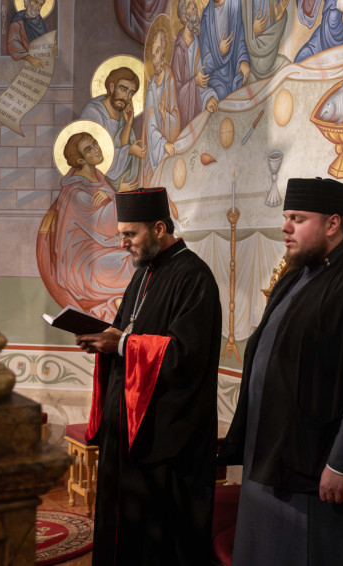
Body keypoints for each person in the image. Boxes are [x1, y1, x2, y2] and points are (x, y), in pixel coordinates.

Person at [217, 177, 343, 566]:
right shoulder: (293, 277)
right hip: (271, 456)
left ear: (333, 223)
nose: (285, 227)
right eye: (286, 217)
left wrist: (341, 461)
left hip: (318, 469)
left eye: (298, 219)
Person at [76, 187, 222, 565]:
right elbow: (126, 330)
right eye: (121, 234)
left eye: (130, 234)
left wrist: (122, 344)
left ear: (159, 228)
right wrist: (103, 340)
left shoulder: (194, 277)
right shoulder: (143, 274)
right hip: (126, 429)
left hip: (164, 437)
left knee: (156, 545)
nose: (123, 243)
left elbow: (186, 356)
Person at [36, 132, 133, 321]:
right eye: (89, 149)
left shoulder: (98, 179)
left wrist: (112, 196)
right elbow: (106, 226)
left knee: (139, 259)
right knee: (134, 265)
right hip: (84, 266)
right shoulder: (76, 192)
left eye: (95, 143)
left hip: (103, 250)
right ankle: (112, 308)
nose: (97, 149)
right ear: (80, 160)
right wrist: (118, 195)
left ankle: (115, 305)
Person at [80, 67, 144, 191]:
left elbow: (121, 147)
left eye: (131, 93)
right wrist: (129, 150)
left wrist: (128, 124)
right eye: (123, 89)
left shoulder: (123, 114)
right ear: (112, 87)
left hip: (116, 182)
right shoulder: (93, 113)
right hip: (97, 184)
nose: (126, 97)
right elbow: (97, 159)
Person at [172, 0, 218, 129]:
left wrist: (209, 97)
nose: (194, 7)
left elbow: (202, 81)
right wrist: (195, 82)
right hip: (187, 118)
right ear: (183, 17)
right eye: (189, 5)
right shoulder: (179, 50)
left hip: (199, 102)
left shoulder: (198, 41)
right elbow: (177, 94)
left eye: (193, 3)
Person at [143, 30, 181, 185]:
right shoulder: (152, 88)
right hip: (158, 148)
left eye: (158, 52)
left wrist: (165, 115)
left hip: (171, 144)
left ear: (165, 51)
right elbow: (150, 126)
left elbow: (176, 115)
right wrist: (163, 142)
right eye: (153, 55)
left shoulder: (170, 77)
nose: (155, 59)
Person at [198, 0, 250, 104]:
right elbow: (205, 65)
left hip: (235, 69)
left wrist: (243, 60)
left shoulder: (235, 4)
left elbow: (240, 35)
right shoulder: (206, 18)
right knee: (223, 97)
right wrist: (219, 53)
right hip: (217, 79)